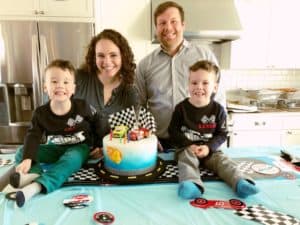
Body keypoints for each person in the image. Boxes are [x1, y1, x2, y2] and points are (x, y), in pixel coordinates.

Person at [9, 59, 102, 207]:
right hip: (54, 149)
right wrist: (28, 158)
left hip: (79, 148)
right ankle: (34, 173)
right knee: (22, 152)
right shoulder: (40, 114)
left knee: (72, 159)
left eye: (66, 82)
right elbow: (33, 136)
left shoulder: (83, 107)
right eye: (54, 81)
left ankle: (38, 186)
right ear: (45, 87)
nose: (60, 85)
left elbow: (98, 122)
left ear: (73, 89)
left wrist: (99, 145)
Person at [136, 1, 226, 151]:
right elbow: (138, 106)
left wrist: (212, 145)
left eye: (173, 21)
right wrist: (148, 136)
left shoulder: (205, 56)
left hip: (201, 145)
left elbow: (219, 98)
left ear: (183, 25)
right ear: (156, 28)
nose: (168, 27)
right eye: (162, 23)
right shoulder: (145, 65)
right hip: (160, 145)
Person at [168, 60, 259, 199]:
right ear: (188, 85)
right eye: (194, 83)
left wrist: (209, 148)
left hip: (210, 150)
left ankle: (241, 182)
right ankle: (192, 185)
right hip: (187, 149)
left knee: (224, 162)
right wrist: (188, 145)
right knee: (186, 162)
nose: (199, 86)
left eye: (205, 83)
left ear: (215, 87)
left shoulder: (218, 110)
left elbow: (222, 134)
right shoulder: (181, 108)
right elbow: (173, 131)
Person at [74, 29, 139, 158]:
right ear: (94, 57)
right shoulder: (78, 79)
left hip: (111, 158)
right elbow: (55, 110)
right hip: (73, 154)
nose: (107, 62)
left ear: (123, 56)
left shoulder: (130, 92)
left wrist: (106, 149)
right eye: (101, 55)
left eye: (113, 55)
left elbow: (131, 134)